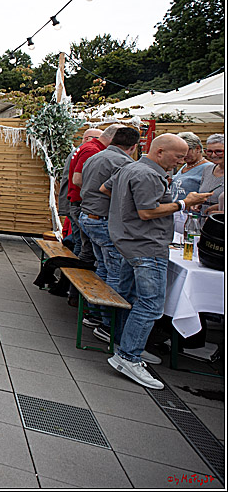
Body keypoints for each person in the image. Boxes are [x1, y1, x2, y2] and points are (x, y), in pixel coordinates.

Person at [106, 134, 211, 389]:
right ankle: (128, 356)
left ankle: (126, 346)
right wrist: (184, 203)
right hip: (146, 246)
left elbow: (109, 192)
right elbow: (147, 212)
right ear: (160, 151)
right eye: (177, 157)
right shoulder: (148, 174)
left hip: (130, 243)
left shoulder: (130, 167)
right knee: (151, 305)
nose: (180, 162)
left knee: (129, 298)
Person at [78, 126, 141, 346]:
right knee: (117, 273)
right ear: (133, 147)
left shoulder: (96, 156)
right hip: (103, 220)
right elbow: (116, 191)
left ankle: (95, 314)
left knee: (102, 268)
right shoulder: (124, 163)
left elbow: (79, 181)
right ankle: (108, 325)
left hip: (88, 217)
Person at [61, 128, 102, 258]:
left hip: (72, 201)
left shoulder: (77, 152)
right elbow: (77, 180)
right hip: (77, 202)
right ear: (87, 138)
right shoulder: (88, 151)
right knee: (81, 242)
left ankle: (70, 271)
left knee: (78, 240)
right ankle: (72, 273)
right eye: (97, 139)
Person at [170, 132, 209, 202]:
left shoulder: (208, 168)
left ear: (197, 148)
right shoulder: (185, 166)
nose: (183, 155)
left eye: (186, 151)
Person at [197, 133, 224, 219]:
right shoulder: (207, 169)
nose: (213, 155)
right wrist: (198, 203)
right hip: (203, 222)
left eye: (218, 151)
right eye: (209, 151)